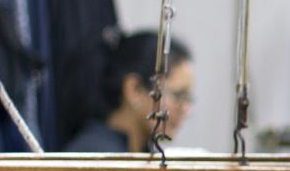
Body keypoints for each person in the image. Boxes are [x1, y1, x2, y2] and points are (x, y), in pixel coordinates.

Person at [64, 33, 194, 154]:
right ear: (134, 89)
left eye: (187, 98)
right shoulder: (95, 158)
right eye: (178, 95)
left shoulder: (135, 152)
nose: (186, 109)